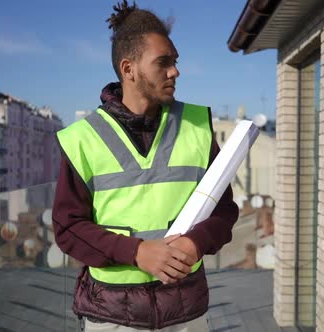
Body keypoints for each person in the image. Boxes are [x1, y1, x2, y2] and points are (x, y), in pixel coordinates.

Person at [52, 1, 239, 330]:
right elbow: (68, 229)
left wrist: (195, 243)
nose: (175, 71)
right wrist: (136, 252)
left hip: (187, 313)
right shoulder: (82, 138)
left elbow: (225, 211)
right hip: (111, 316)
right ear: (129, 69)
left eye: (175, 62)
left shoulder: (198, 126)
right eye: (163, 63)